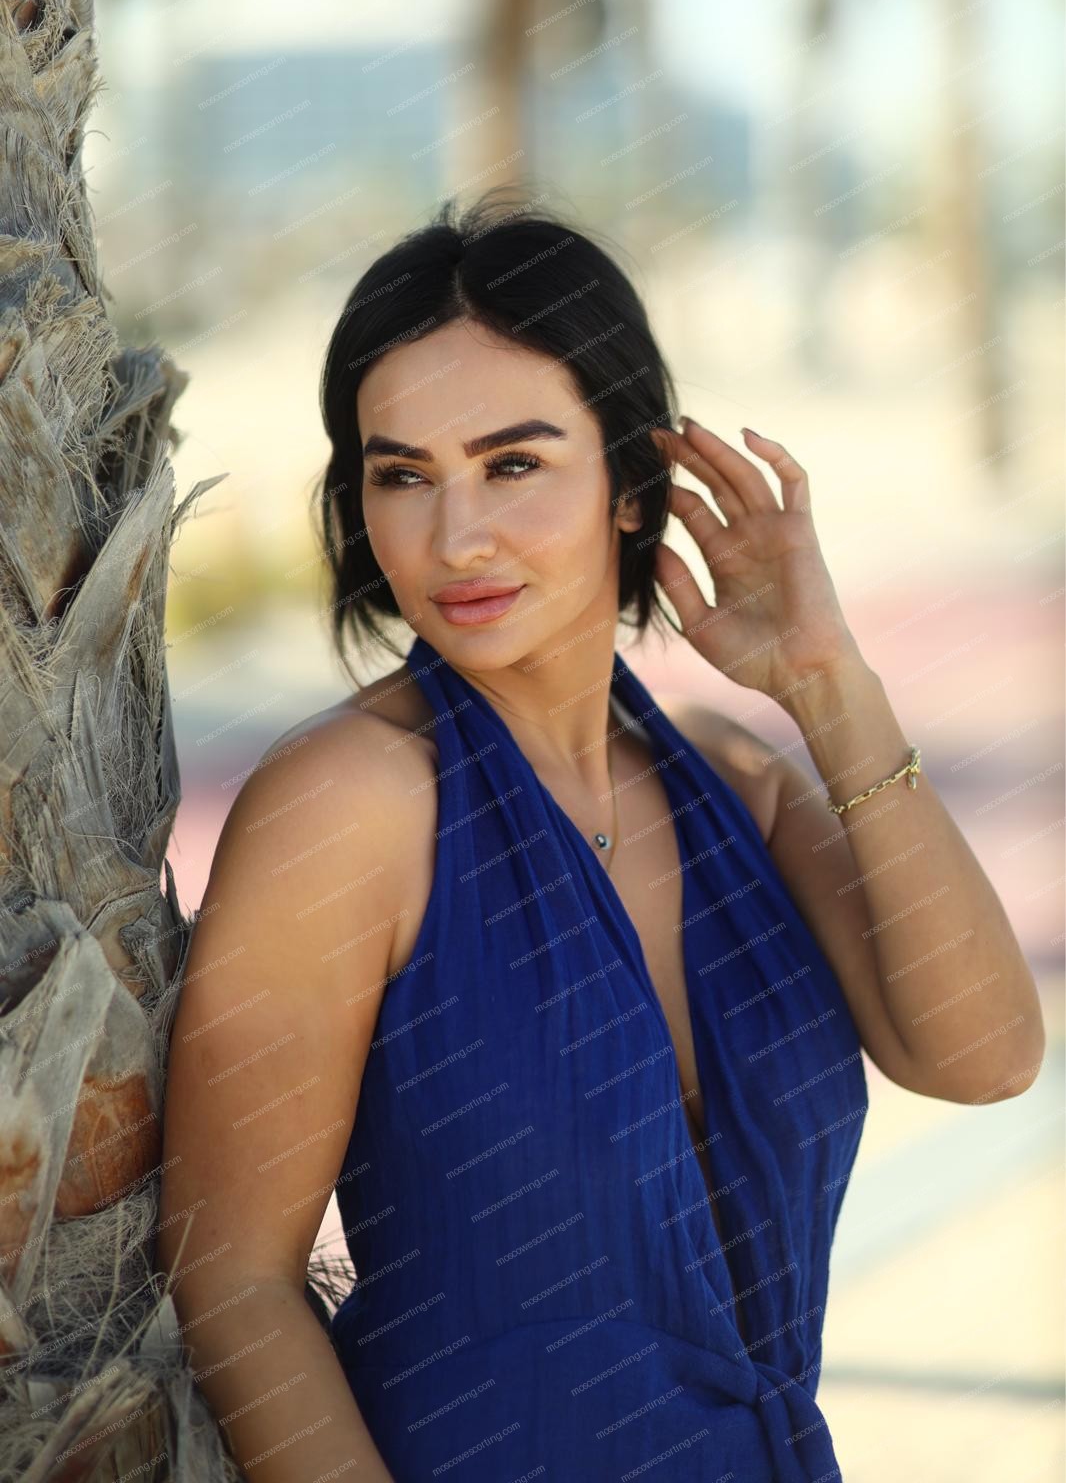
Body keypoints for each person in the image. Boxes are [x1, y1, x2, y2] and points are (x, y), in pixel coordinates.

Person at [157, 188, 1044, 1483]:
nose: (456, 537)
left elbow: (982, 1056)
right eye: (402, 475)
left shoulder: (736, 783)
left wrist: (827, 682)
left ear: (631, 485)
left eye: (513, 464)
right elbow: (232, 1280)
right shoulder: (350, 805)